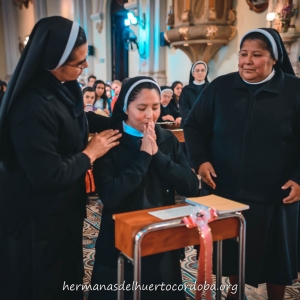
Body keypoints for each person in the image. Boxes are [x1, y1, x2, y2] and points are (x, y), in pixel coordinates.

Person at [0, 16, 121, 300]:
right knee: (43, 285)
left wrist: (122, 122)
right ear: (53, 61)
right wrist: (90, 153)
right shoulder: (30, 106)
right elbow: (47, 175)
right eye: (79, 63)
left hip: (63, 209)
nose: (86, 67)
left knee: (69, 276)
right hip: (35, 218)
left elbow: (77, 118)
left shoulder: (63, 86)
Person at [184, 28, 300, 300]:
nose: (247, 61)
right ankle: (235, 296)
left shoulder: (294, 91)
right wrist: (200, 160)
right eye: (243, 54)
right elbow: (194, 125)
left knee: (276, 260)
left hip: (276, 193)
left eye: (257, 55)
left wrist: (299, 177)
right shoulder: (220, 87)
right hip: (228, 190)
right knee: (232, 253)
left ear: (274, 58)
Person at [88, 76, 199, 300]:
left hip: (161, 238)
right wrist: (143, 157)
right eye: (142, 108)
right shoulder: (111, 141)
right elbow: (110, 196)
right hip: (120, 242)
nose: (150, 115)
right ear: (125, 108)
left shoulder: (167, 140)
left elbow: (190, 186)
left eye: (155, 107)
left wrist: (157, 155)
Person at [179, 61, 209, 127]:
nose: (200, 73)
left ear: (206, 72)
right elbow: (183, 107)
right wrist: (195, 118)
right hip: (189, 124)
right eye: (197, 70)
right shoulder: (185, 90)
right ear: (193, 73)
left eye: (202, 70)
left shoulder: (211, 88)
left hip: (207, 124)